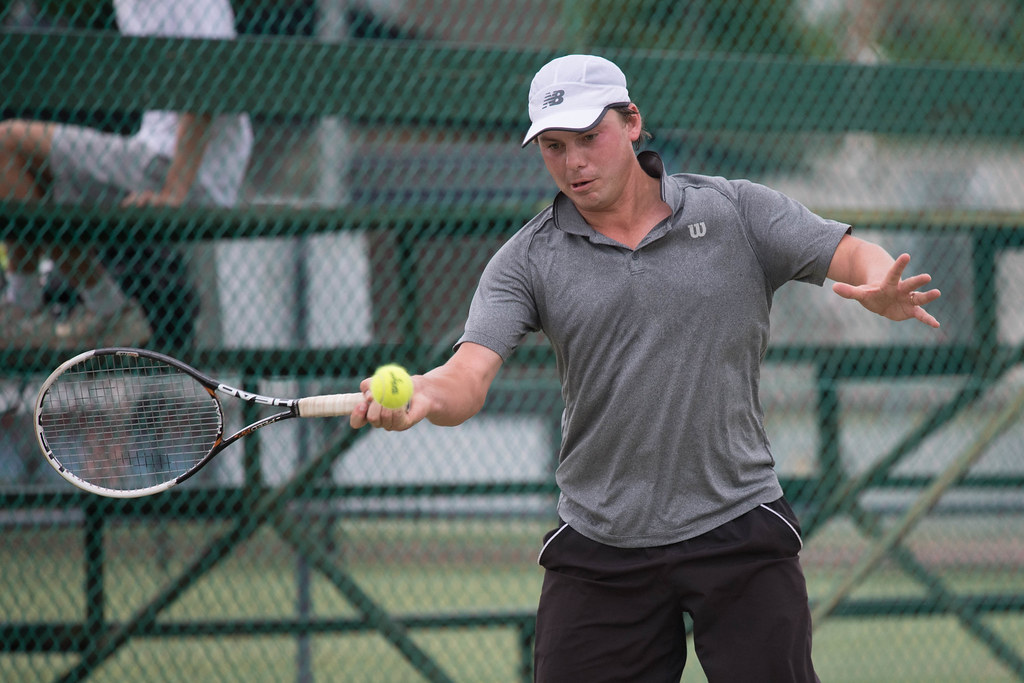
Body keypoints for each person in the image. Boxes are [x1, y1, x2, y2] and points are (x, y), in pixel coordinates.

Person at [350, 54, 941, 681]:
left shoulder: (736, 212)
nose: (573, 161)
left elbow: (851, 253)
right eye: (553, 145)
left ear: (632, 122)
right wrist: (421, 393)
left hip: (736, 524)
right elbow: (466, 378)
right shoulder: (525, 260)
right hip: (602, 545)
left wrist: (879, 283)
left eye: (588, 137)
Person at [0, 0, 253, 349]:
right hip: (159, 160)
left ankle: (32, 311)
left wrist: (174, 191)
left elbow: (209, 69)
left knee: (5, 145)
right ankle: (79, 310)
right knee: (26, 171)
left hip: (175, 168)